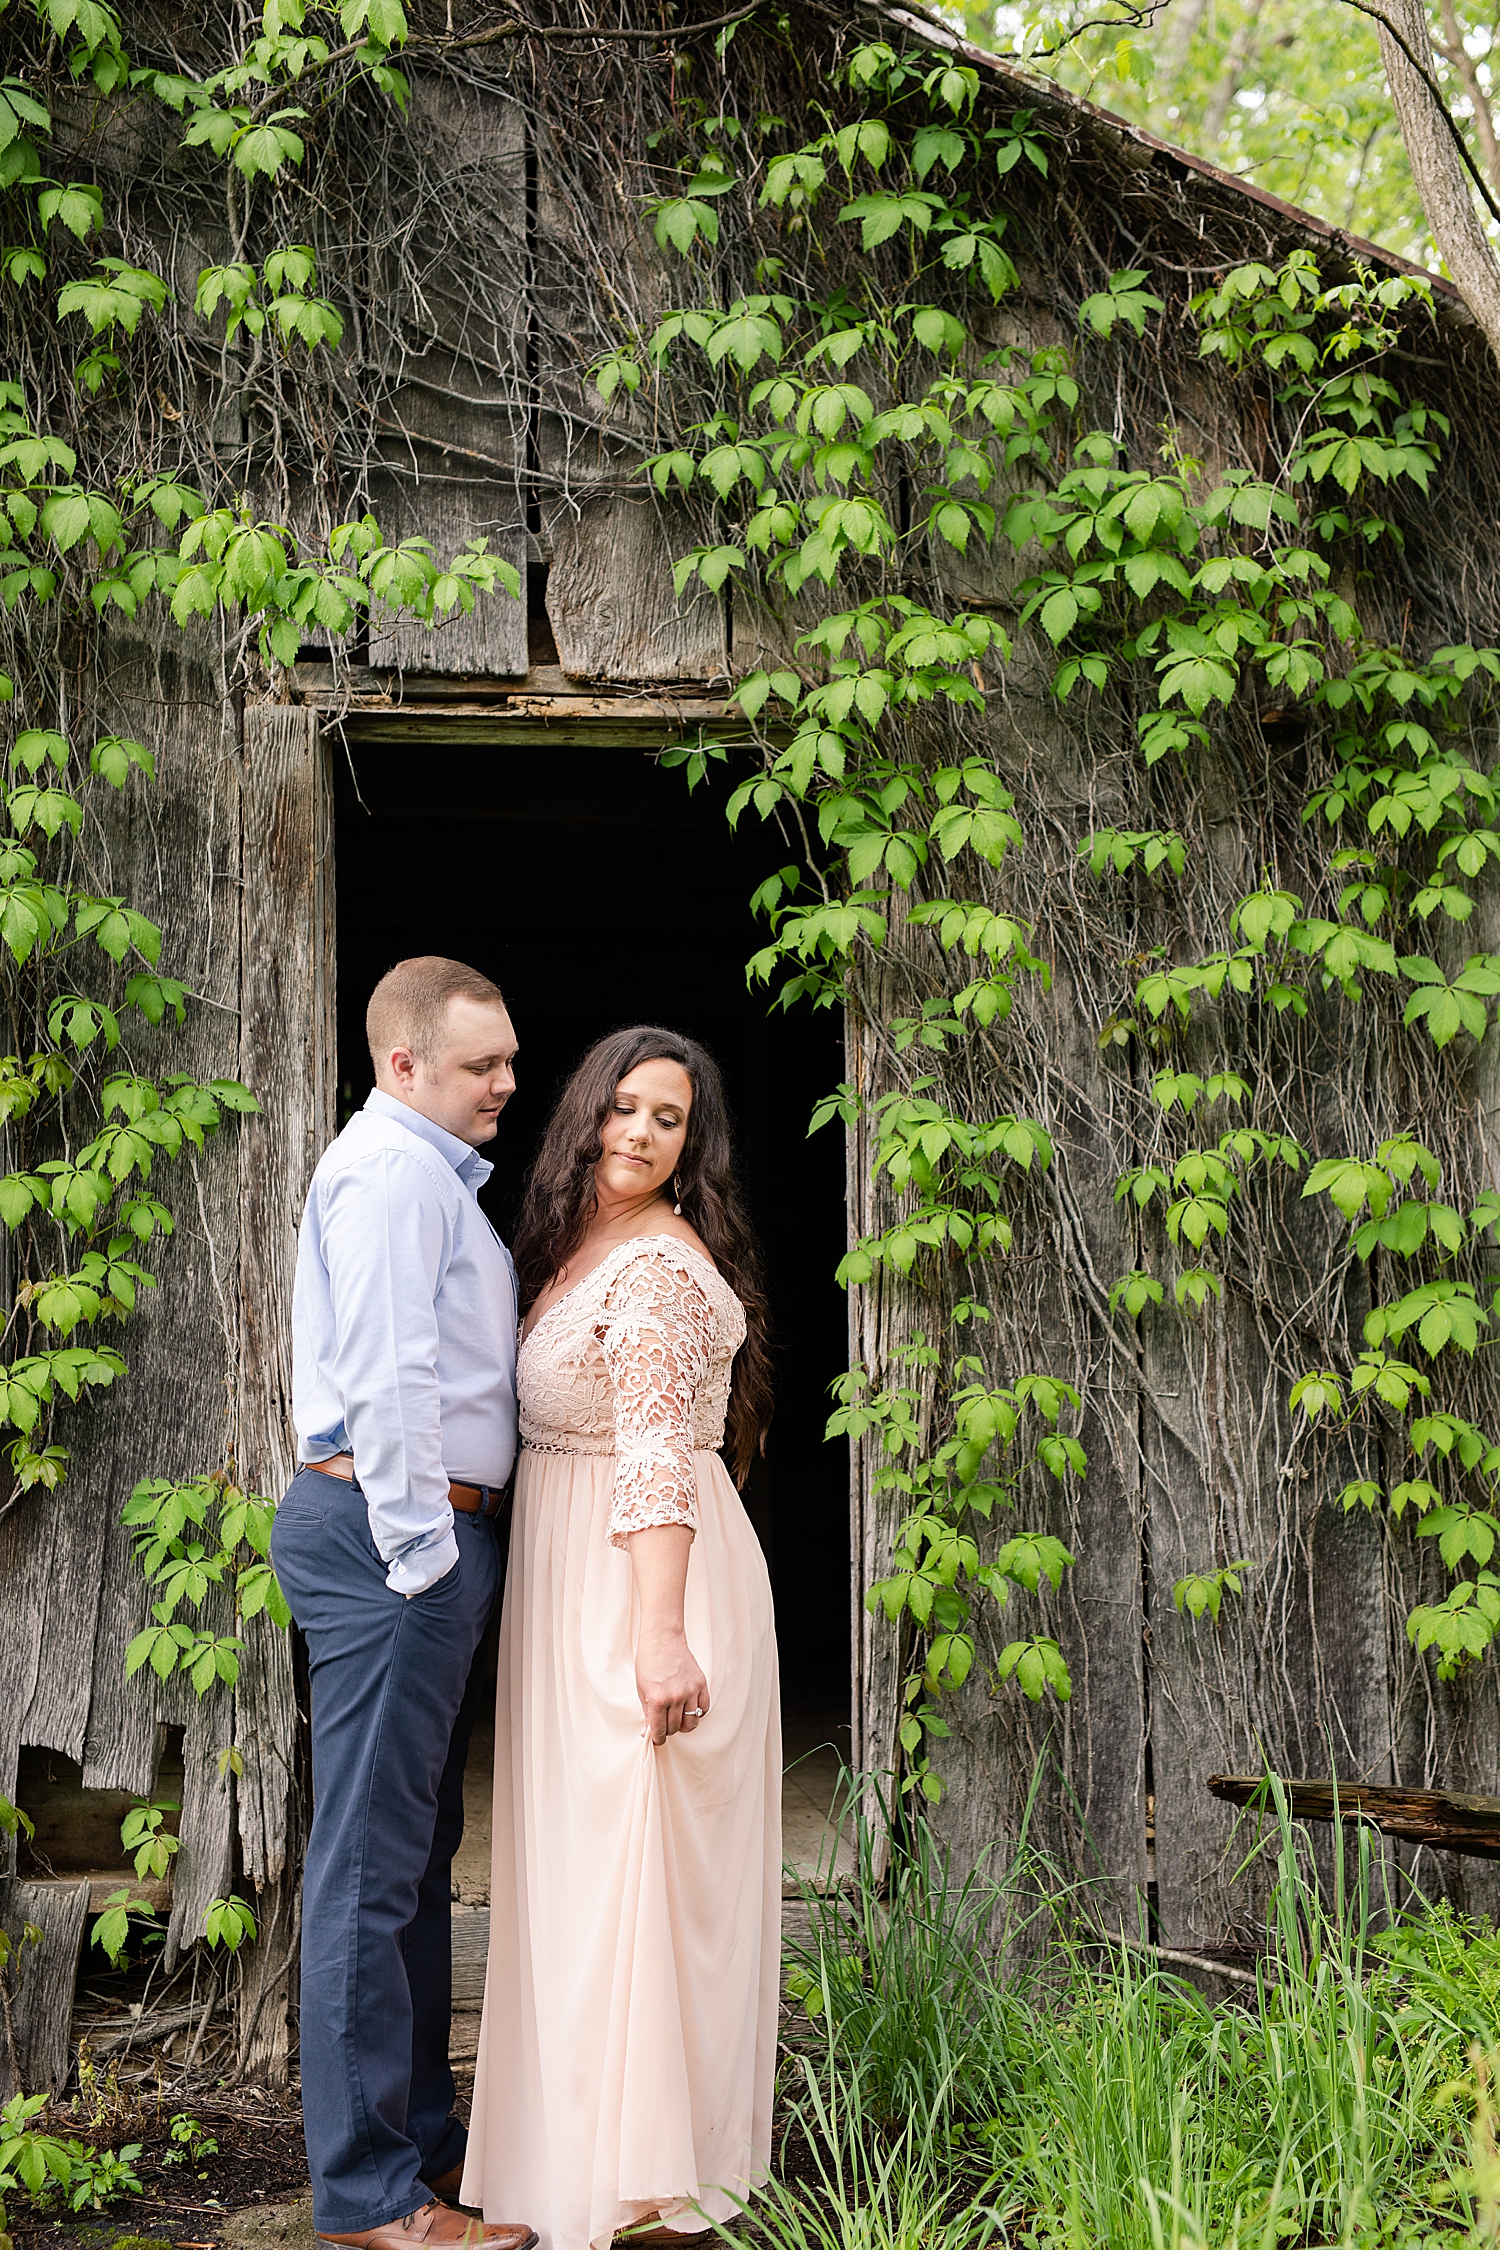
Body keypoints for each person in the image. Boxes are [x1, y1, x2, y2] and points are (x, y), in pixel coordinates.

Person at [463, 1026, 781, 2250]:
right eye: (626, 1109)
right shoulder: (574, 1244)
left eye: (670, 1121)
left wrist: (659, 1636)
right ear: (585, 1112)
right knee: (577, 1876)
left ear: (692, 1146)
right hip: (577, 1569)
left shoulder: (650, 1269)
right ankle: (574, 2161)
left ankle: (646, 2186)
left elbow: (654, 1455)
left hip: (641, 1581)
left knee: (629, 1877)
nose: (641, 1136)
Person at [272, 956, 536, 2250]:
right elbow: (388, 1378)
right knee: (371, 1870)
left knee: (414, 1863)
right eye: (483, 1061)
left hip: (408, 1547)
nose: (506, 1080)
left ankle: (422, 2155)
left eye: (507, 1057)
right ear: (405, 1064)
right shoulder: (388, 1176)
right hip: (394, 1546)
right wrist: (428, 1561)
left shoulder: (428, 1178)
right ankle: (373, 2196)